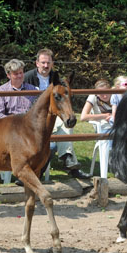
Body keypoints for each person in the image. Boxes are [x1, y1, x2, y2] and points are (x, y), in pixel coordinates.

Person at [24, 48, 90, 179]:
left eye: (48, 62)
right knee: (61, 126)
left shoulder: (56, 78)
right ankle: (67, 159)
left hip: (52, 114)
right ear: (37, 63)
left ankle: (69, 159)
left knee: (65, 124)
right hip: (34, 117)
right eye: (43, 62)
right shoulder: (28, 77)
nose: (45, 65)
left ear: (52, 63)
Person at [80, 79, 127, 177]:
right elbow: (83, 117)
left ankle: (125, 164)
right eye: (101, 93)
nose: (105, 96)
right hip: (104, 129)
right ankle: (118, 166)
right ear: (97, 93)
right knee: (116, 141)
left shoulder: (116, 95)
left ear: (110, 90)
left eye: (107, 92)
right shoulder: (93, 97)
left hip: (122, 126)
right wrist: (104, 116)